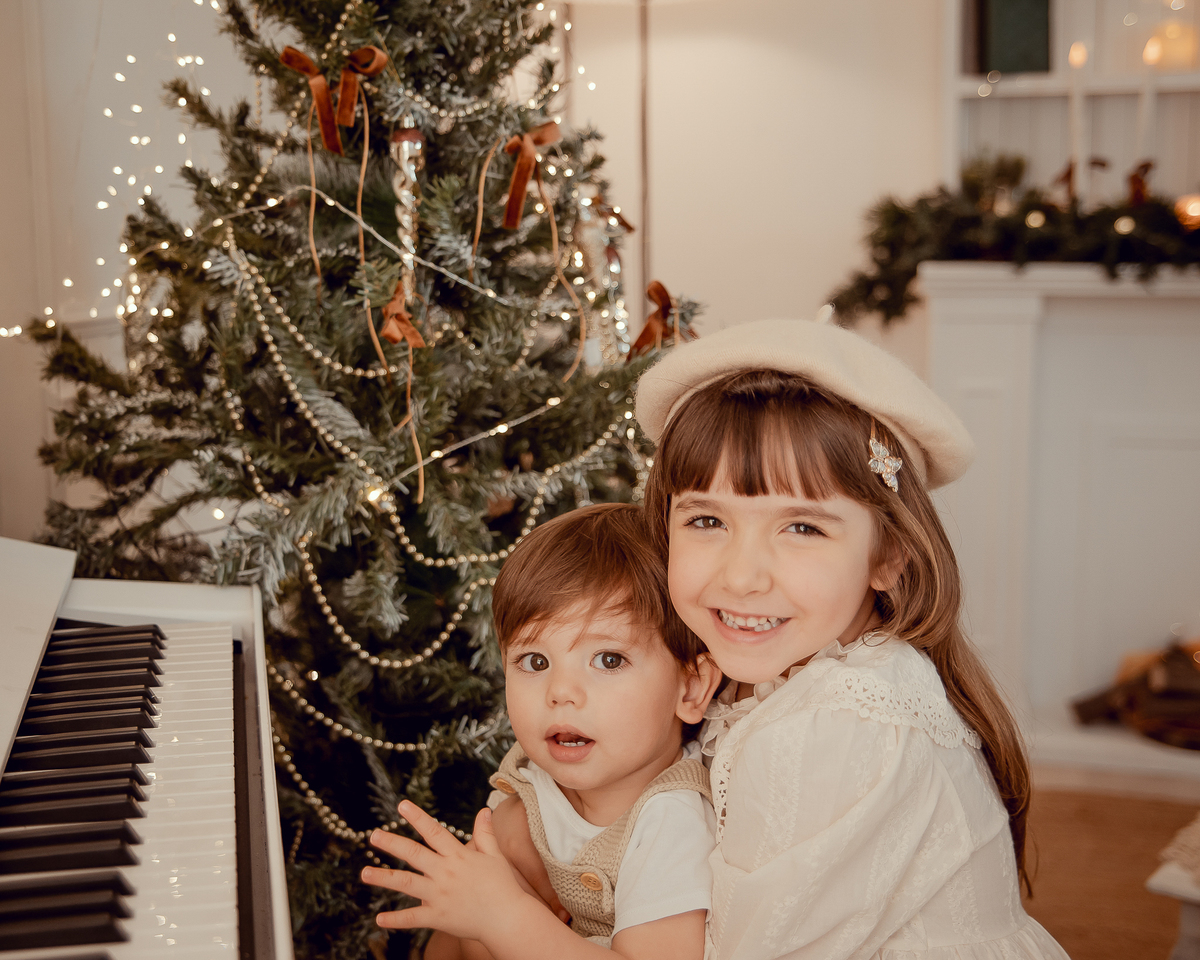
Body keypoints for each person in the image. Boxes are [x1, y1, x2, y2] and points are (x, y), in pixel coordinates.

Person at [635, 316, 1070, 959]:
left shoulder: (836, 726)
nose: (743, 575)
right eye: (706, 519)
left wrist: (509, 920)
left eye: (803, 528)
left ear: (888, 555)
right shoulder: (805, 672)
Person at [361, 502, 722, 960]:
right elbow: (456, 937)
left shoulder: (671, 823)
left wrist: (504, 915)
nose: (560, 692)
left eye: (609, 660)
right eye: (535, 662)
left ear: (690, 687)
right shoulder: (532, 783)